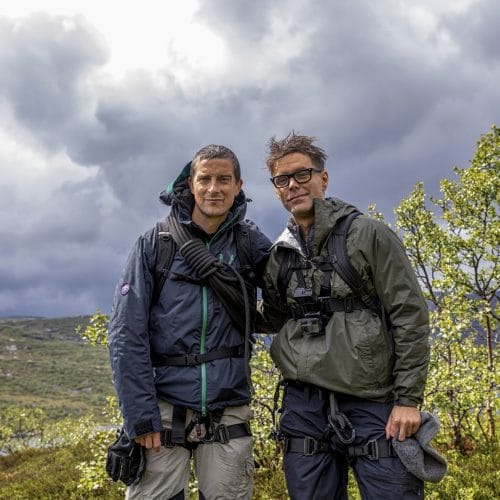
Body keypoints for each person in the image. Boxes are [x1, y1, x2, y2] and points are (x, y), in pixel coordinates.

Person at [259, 132, 430, 499]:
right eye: (282, 179)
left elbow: (410, 315)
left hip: (373, 400)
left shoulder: (368, 235)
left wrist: (408, 400)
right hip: (304, 405)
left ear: (324, 177)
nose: (293, 185)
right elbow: (270, 318)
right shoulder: (279, 255)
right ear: (276, 189)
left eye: (302, 174)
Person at [108, 145, 272, 500]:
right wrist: (139, 416)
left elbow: (287, 295)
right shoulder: (155, 243)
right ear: (191, 184)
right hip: (162, 411)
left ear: (238, 185)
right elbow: (126, 333)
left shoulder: (250, 243)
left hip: (228, 408)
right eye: (206, 179)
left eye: (224, 179)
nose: (214, 188)